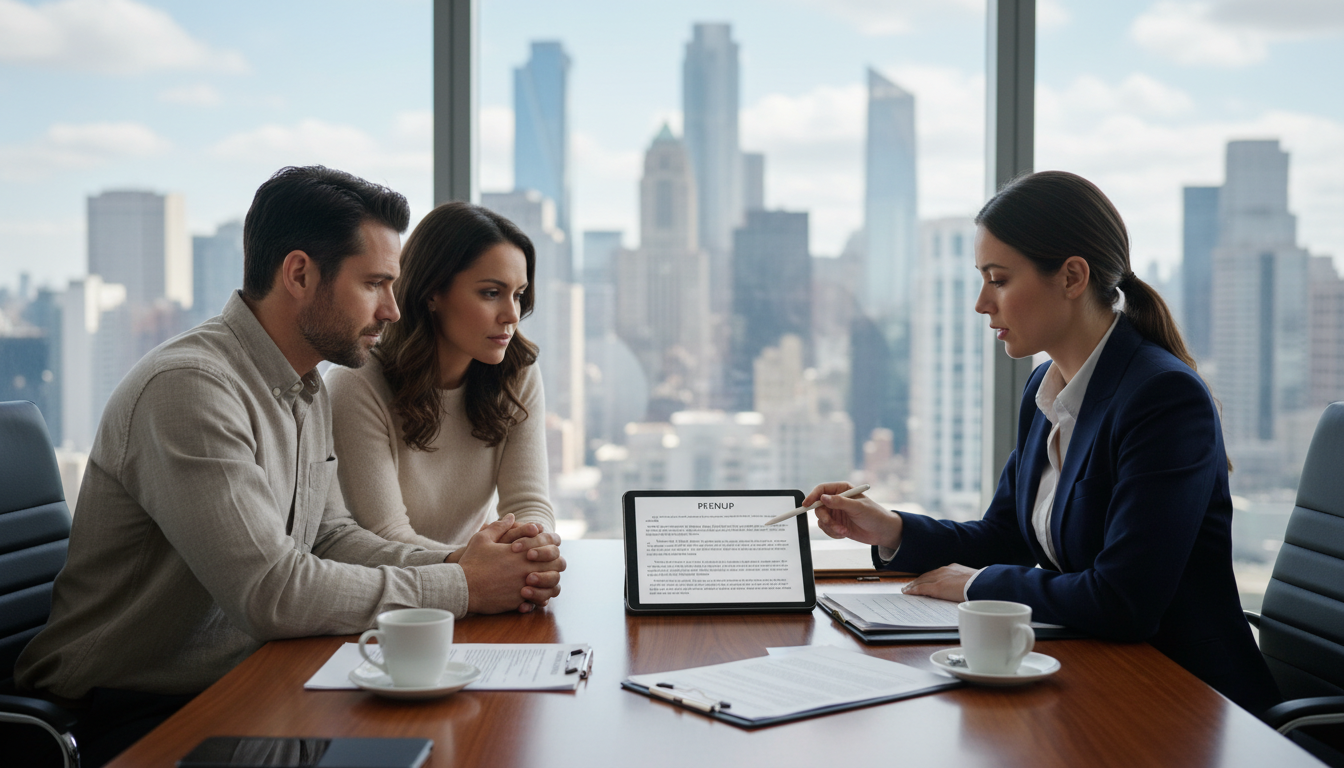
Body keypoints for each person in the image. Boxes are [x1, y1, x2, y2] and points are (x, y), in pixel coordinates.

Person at [15, 166, 564, 766]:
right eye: (375, 284)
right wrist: (462, 584)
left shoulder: (298, 387)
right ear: (299, 273)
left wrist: (472, 562)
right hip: (128, 710)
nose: (393, 311)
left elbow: (331, 536)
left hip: (251, 681)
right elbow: (271, 591)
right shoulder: (193, 389)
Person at [805, 170, 1281, 715]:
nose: (982, 303)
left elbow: (1124, 601)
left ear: (1072, 276)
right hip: (1095, 676)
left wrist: (978, 585)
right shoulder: (1047, 386)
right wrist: (892, 528)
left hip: (1184, 701)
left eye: (999, 279)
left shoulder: (1163, 398)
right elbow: (1005, 534)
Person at [326, 202, 559, 573]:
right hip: (387, 600)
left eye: (517, 294)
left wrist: (532, 551)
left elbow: (530, 504)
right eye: (490, 293)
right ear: (433, 292)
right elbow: (385, 536)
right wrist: (480, 568)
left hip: (473, 582)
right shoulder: (355, 384)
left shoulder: (517, 373)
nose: (512, 315)